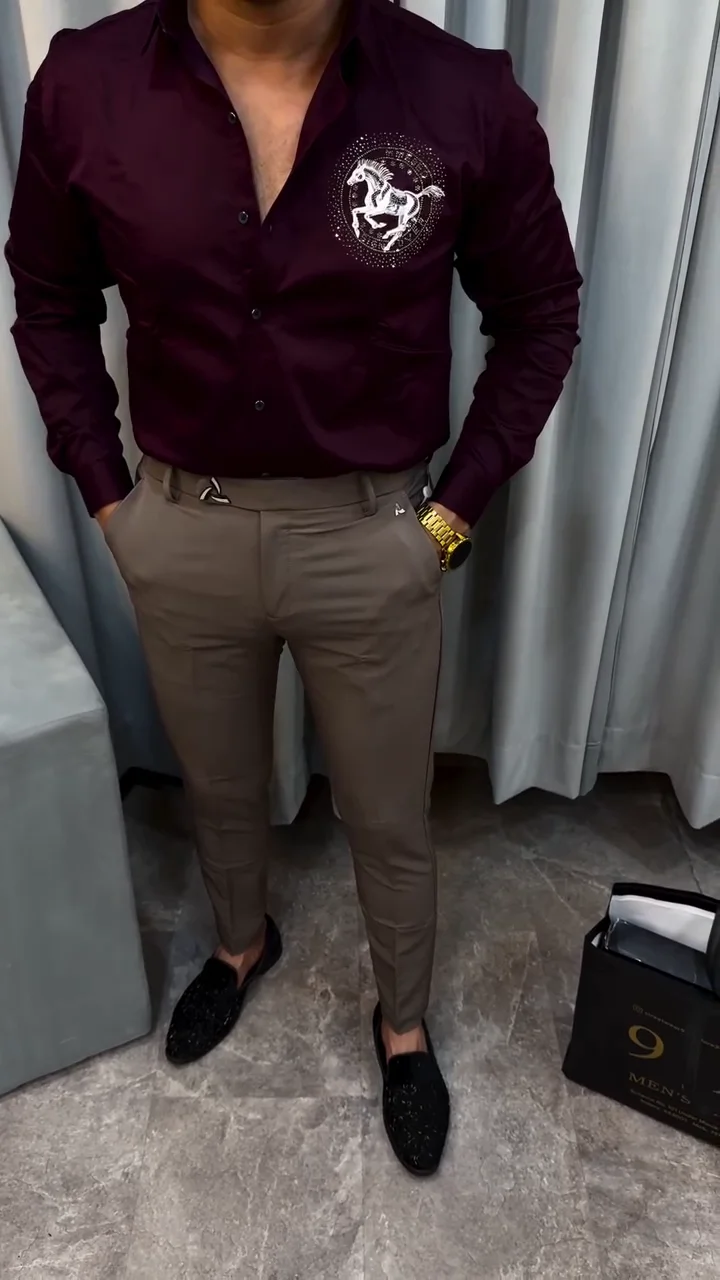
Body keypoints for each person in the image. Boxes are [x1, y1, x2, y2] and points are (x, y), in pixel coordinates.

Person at [6, 0, 581, 1177]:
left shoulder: (460, 94)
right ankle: (238, 944)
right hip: (181, 528)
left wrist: (448, 515)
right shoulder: (85, 84)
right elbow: (50, 302)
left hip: (372, 537)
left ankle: (403, 1025)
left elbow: (541, 318)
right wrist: (112, 497)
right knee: (217, 782)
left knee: (389, 813)